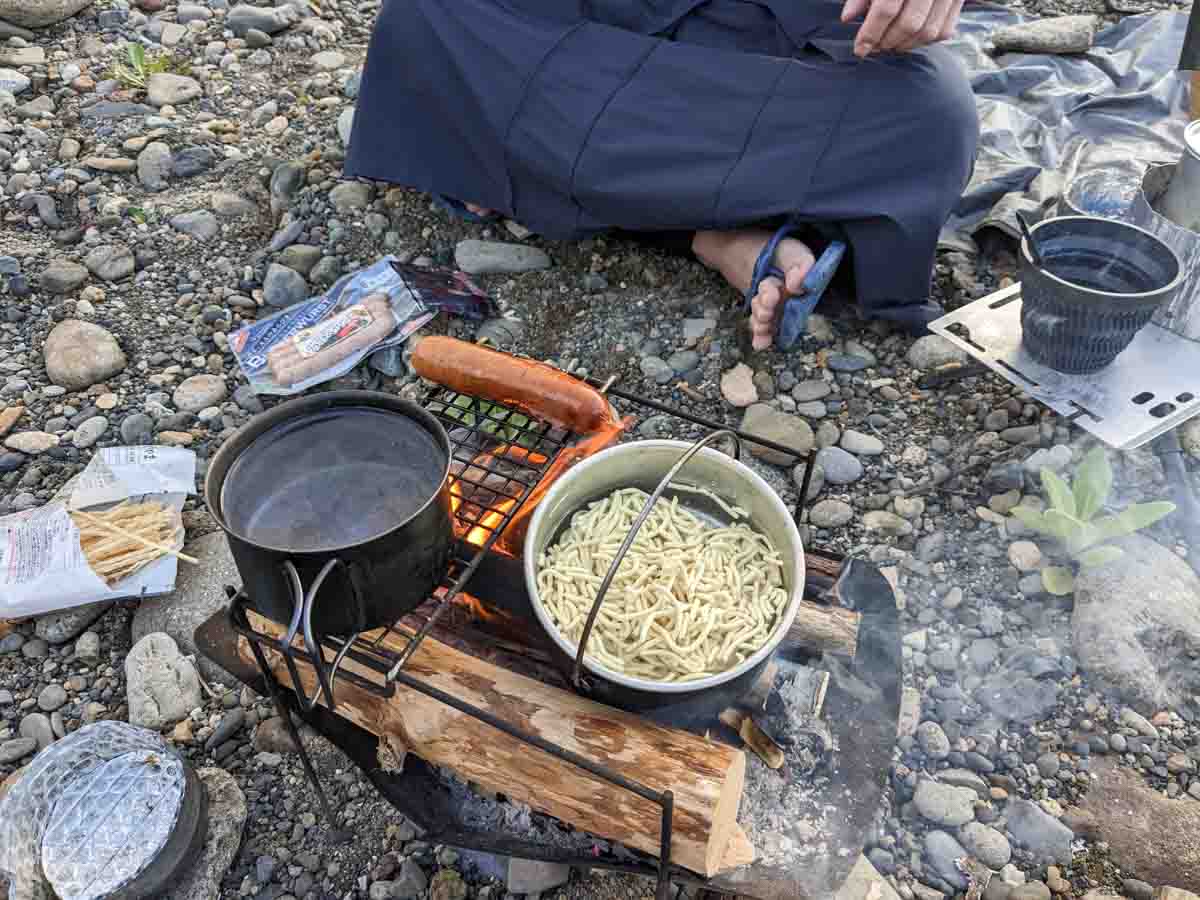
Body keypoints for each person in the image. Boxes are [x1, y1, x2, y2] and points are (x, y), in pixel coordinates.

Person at [345, 0, 979, 349]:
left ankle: (560, 176)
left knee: (932, 113)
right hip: (586, 20)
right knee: (424, 18)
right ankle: (714, 228)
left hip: (755, 31)